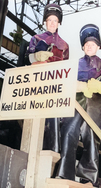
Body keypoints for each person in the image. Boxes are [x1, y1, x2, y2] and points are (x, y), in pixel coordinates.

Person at [57, 24, 101, 187]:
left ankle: (89, 178)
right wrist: (76, 85)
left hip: (96, 107)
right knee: (68, 132)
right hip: (76, 104)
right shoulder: (74, 65)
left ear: (98, 46)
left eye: (93, 44)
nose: (90, 46)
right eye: (87, 44)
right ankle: (64, 173)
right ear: (83, 47)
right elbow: (63, 81)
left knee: (92, 139)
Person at [27, 3, 69, 152]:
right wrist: (35, 56)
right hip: (37, 86)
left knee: (55, 122)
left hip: (55, 89)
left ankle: (53, 153)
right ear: (45, 21)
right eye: (49, 20)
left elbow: (66, 71)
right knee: (35, 121)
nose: (52, 23)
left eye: (55, 20)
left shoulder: (64, 45)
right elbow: (28, 60)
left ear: (59, 23)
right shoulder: (36, 39)